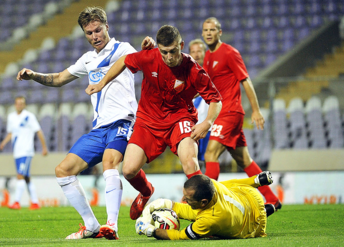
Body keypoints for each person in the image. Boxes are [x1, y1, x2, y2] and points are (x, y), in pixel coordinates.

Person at [16, 6, 155, 240]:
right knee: (63, 171)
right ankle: (91, 225)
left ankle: (111, 225)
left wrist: (149, 47)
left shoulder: (124, 49)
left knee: (109, 163)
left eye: (98, 30)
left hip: (123, 121)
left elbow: (148, 63)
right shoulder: (88, 59)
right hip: (99, 128)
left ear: (106, 27)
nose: (95, 37)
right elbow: (59, 78)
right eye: (89, 33)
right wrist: (33, 75)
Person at [85, 25, 223, 221]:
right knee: (128, 170)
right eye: (164, 52)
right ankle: (146, 192)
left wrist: (207, 123)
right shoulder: (149, 57)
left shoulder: (193, 70)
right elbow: (124, 60)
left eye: (173, 51)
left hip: (180, 119)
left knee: (190, 163)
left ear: (181, 46)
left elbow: (216, 100)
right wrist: (101, 83)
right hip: (148, 120)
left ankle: (204, 214)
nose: (168, 57)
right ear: (158, 49)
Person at [201, 17, 281, 209]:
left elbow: (246, 80)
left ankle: (210, 205)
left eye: (212, 30)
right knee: (244, 159)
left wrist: (256, 110)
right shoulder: (208, 57)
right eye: (205, 30)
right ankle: (272, 199)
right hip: (222, 113)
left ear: (220, 32)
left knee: (210, 154)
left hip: (230, 112)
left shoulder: (229, 52)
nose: (209, 33)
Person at [135, 172, 276, 240]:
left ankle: (268, 210)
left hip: (255, 226)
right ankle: (268, 208)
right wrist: (255, 181)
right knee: (229, 187)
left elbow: (180, 235)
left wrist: (151, 231)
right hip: (250, 194)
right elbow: (233, 184)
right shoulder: (211, 184)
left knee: (213, 235)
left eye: (188, 199)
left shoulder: (211, 219)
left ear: (203, 202)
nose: (183, 199)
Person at [0, 96, 48, 210]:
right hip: (17, 152)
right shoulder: (11, 117)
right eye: (18, 103)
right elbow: (11, 133)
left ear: (24, 105)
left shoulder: (29, 116)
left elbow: (38, 131)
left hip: (26, 151)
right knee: (26, 177)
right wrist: (4, 142)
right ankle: (35, 203)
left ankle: (16, 202)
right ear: (15, 105)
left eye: (22, 103)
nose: (19, 105)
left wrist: (44, 147)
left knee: (20, 175)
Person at [189, 39, 210, 164]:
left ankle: (209, 182)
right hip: (192, 124)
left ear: (205, 53)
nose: (196, 54)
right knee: (191, 159)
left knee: (208, 159)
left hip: (209, 125)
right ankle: (192, 183)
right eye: (193, 51)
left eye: (199, 51)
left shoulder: (213, 72)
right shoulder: (185, 74)